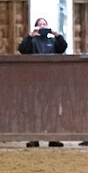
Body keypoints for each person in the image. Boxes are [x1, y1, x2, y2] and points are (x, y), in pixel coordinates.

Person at [18, 17, 67, 147]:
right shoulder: (32, 41)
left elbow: (63, 47)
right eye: (39, 24)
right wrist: (30, 36)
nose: (42, 27)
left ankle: (53, 138)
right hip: (34, 80)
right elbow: (22, 50)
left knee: (52, 109)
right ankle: (34, 138)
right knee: (34, 109)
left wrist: (57, 35)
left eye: (44, 24)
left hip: (51, 79)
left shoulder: (52, 41)